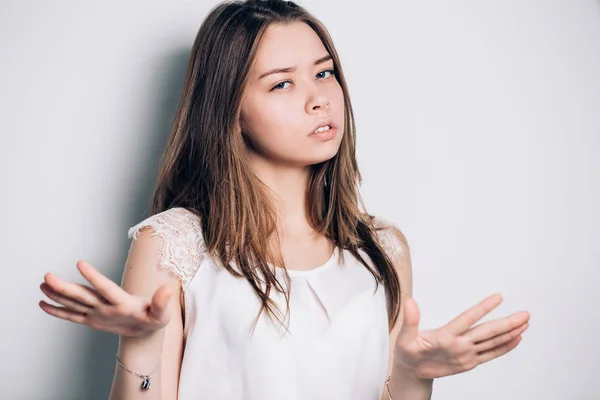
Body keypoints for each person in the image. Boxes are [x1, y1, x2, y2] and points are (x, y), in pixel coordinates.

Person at [38, 1, 531, 399]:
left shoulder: (383, 247)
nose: (319, 98)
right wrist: (142, 344)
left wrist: (414, 374)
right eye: (282, 83)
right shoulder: (173, 243)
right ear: (230, 111)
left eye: (324, 73)